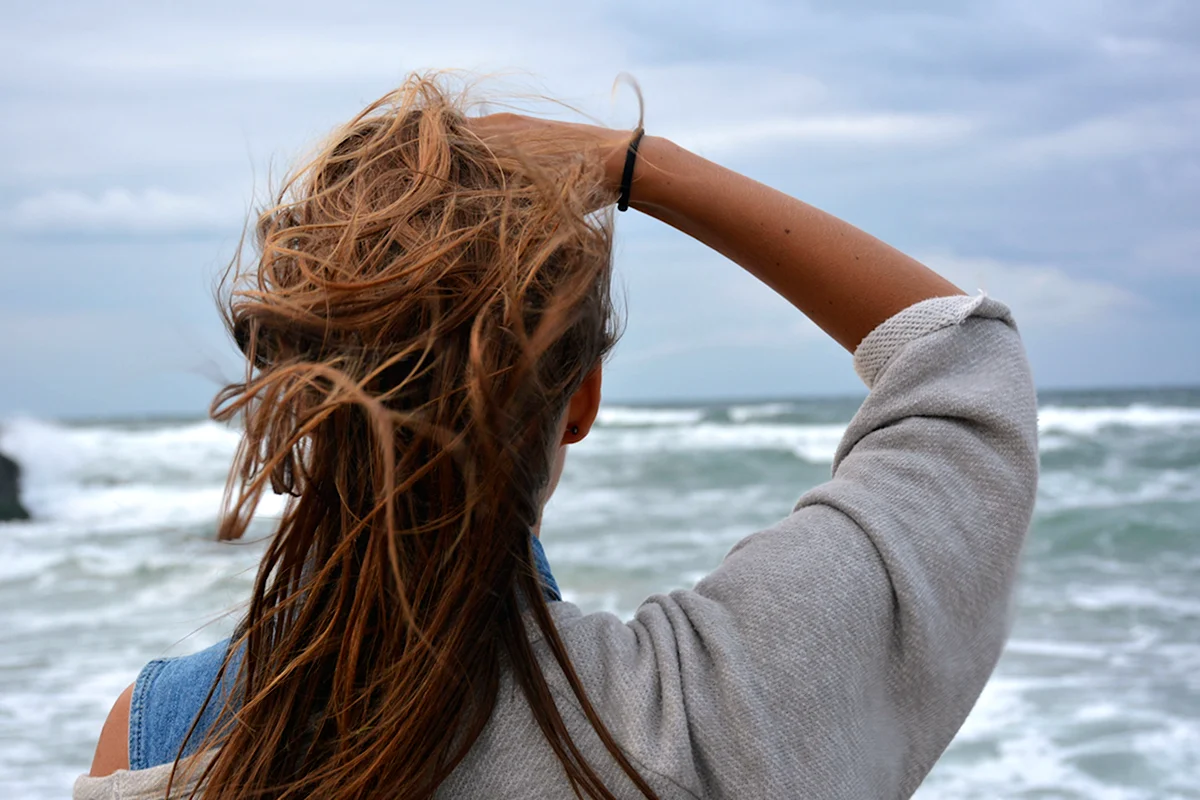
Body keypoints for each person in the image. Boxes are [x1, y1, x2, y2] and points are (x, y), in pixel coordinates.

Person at [75, 73, 1038, 799]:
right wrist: (638, 167)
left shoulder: (163, 740)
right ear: (580, 402)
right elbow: (962, 357)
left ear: (299, 398)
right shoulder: (705, 711)